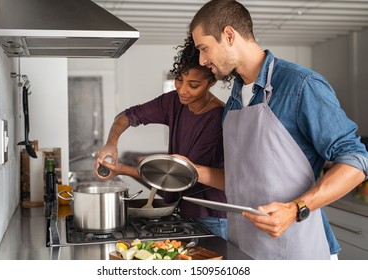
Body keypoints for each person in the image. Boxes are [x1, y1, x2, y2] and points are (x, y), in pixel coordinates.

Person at [184, 0, 368, 259]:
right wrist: (190, 171)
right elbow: (244, 181)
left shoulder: (300, 85)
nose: (202, 60)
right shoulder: (234, 100)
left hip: (298, 251)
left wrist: (295, 209)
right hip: (246, 248)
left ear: (228, 35)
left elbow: (356, 161)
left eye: (204, 49)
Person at [94, 36, 228, 239]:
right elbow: (127, 117)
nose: (182, 90)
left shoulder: (217, 119)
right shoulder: (173, 102)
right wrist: (111, 143)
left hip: (212, 218)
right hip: (185, 211)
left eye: (193, 85)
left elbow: (178, 177)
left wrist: (124, 169)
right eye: (179, 79)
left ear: (212, 82)